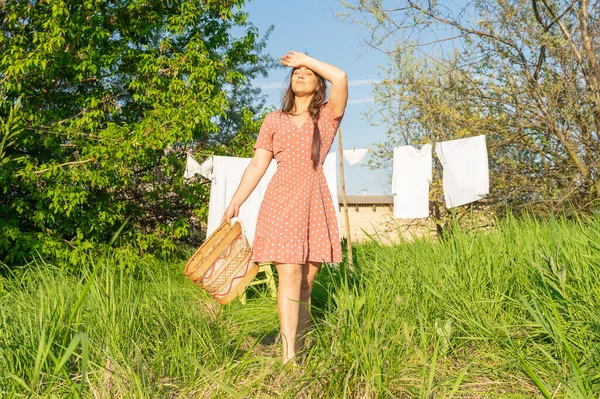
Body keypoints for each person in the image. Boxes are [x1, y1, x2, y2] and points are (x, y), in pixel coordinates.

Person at [221, 51, 348, 364]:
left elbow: (341, 77)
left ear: (319, 82)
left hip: (314, 202)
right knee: (289, 274)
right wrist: (236, 200)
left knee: (306, 284)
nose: (301, 75)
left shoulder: (328, 115)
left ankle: (298, 348)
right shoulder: (273, 120)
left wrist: (306, 58)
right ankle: (288, 357)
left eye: (307, 72)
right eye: (296, 72)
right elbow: (257, 165)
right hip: (281, 201)